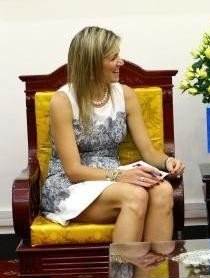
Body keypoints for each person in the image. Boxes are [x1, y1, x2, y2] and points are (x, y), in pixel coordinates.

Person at [40, 26, 184, 243]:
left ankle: (151, 275)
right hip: (70, 185)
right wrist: (119, 176)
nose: (121, 62)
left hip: (114, 180)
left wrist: (168, 161)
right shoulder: (62, 101)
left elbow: (148, 151)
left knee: (163, 190)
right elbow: (73, 170)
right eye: (113, 57)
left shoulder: (125, 94)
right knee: (135, 196)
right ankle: (122, 276)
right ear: (92, 63)